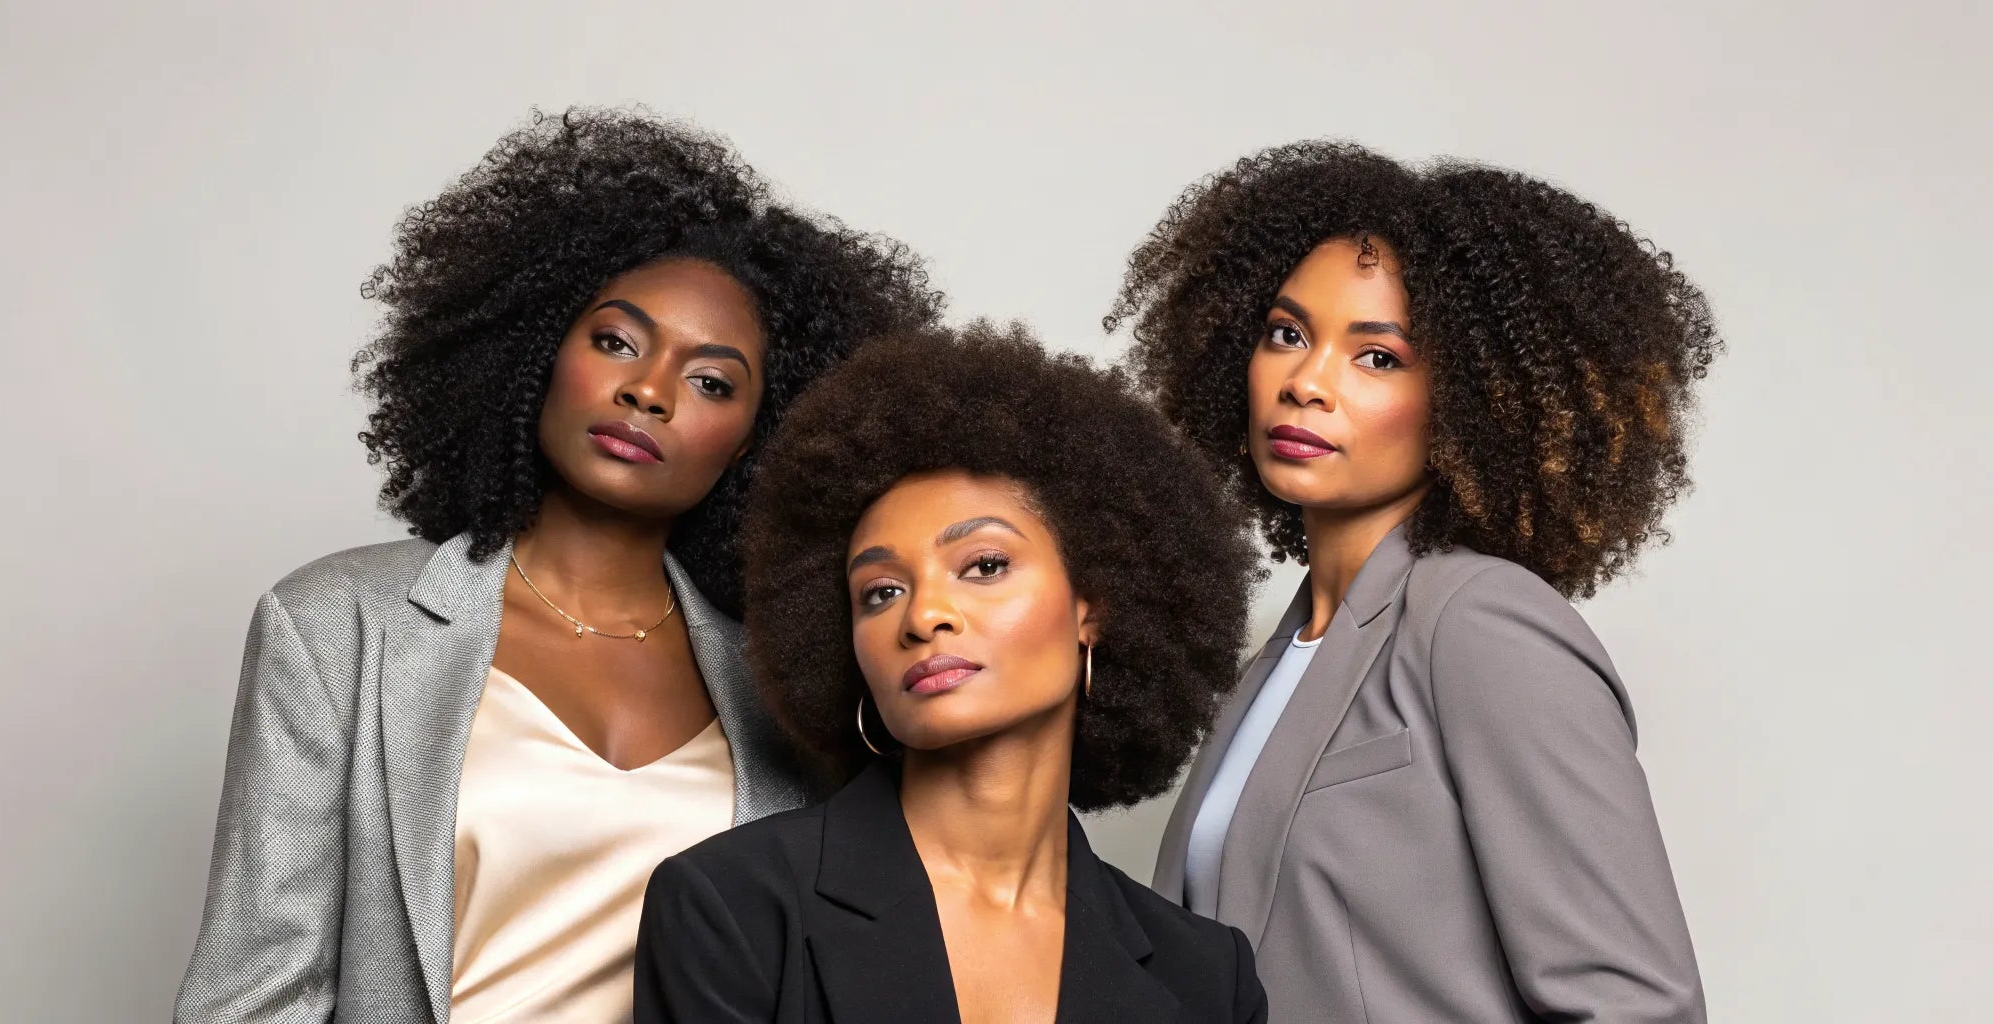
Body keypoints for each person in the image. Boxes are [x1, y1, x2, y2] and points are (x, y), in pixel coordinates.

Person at [176, 108, 941, 1023]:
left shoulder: (784, 688)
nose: (647, 391)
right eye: (616, 341)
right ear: (539, 351)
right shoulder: (340, 626)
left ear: (757, 442)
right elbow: (253, 996)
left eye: (711, 382)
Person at [1106, 141, 1717, 1023]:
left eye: (1378, 357)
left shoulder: (1481, 622)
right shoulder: (1274, 665)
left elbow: (1637, 1005)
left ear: (1476, 401)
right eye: (1287, 334)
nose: (1306, 383)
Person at [634, 324, 1268, 1023]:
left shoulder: (1206, 976)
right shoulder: (732, 907)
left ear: (1094, 605)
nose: (923, 615)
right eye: (880, 591)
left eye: (985, 566)